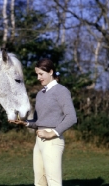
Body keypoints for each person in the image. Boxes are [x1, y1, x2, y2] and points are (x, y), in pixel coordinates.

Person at [11, 58, 77, 186]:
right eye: (37, 74)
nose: (38, 77)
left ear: (51, 72)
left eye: (41, 74)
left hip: (53, 142)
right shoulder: (40, 94)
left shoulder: (61, 91)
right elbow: (38, 121)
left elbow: (71, 117)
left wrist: (52, 133)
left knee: (54, 182)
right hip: (39, 143)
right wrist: (25, 123)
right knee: (40, 182)